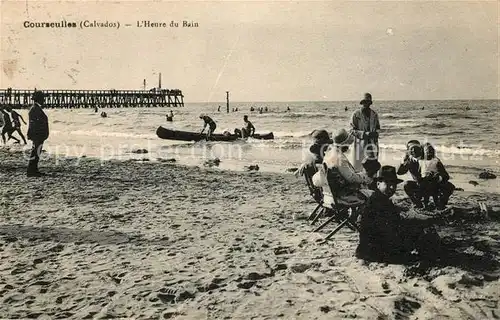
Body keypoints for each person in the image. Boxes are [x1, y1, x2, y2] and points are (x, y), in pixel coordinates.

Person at [356, 165, 441, 262]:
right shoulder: (378, 202)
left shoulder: (379, 198)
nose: (392, 187)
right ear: (378, 184)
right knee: (421, 230)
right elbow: (392, 227)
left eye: (394, 184)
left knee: (418, 227)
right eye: (387, 184)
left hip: (371, 247)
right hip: (376, 250)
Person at [350, 93, 380, 171]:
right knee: (359, 166)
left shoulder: (374, 114)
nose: (366, 103)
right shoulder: (356, 114)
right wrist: (364, 134)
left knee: (372, 167)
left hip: (372, 143)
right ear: (362, 102)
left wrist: (376, 133)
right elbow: (351, 130)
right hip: (360, 143)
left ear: (370, 103)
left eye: (368, 102)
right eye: (365, 102)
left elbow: (378, 127)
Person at [419, 142, 455, 210]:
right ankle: (425, 205)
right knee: (425, 194)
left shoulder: (436, 161)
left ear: (433, 152)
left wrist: (438, 176)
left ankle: (438, 205)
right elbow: (418, 172)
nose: (429, 152)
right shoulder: (421, 161)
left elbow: (445, 175)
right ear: (423, 152)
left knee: (435, 193)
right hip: (424, 181)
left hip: (434, 181)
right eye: (427, 150)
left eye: (431, 150)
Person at [27, 90, 49, 177]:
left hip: (37, 134)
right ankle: (32, 171)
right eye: (42, 98)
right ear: (39, 99)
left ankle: (33, 169)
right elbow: (34, 124)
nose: (44, 100)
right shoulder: (35, 109)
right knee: (35, 152)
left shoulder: (35, 108)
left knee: (36, 152)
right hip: (37, 134)